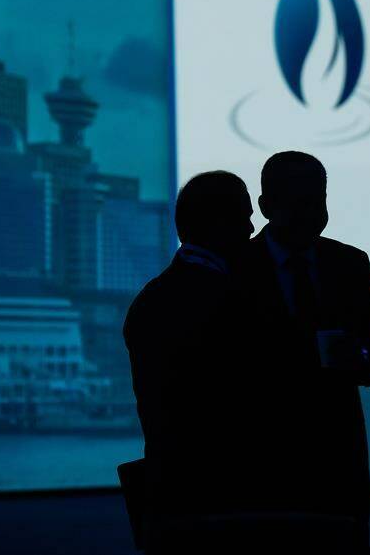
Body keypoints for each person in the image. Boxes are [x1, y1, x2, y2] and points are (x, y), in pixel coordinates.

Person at [238, 151, 370, 531]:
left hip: (339, 468)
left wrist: (359, 358)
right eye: (299, 201)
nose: (311, 212)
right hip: (262, 468)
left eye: (318, 200)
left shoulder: (350, 264)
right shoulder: (235, 267)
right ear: (265, 206)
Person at [123, 170, 257, 536]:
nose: (251, 229)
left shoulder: (153, 298)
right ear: (218, 223)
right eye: (244, 217)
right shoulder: (232, 299)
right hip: (227, 495)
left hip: (173, 494)